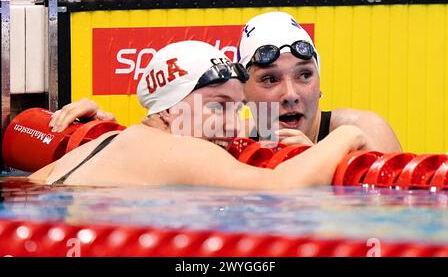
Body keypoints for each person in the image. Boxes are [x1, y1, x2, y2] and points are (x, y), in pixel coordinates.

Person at [28, 40, 375, 190]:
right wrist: (347, 136)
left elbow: (29, 184)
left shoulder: (108, 140)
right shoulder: (183, 150)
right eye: (217, 106)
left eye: (235, 108)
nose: (231, 124)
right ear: (168, 110)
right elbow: (280, 187)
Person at [238, 11, 402, 151]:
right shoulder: (233, 141)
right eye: (270, 79)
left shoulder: (365, 131)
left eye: (304, 75)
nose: (290, 94)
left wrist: (315, 158)